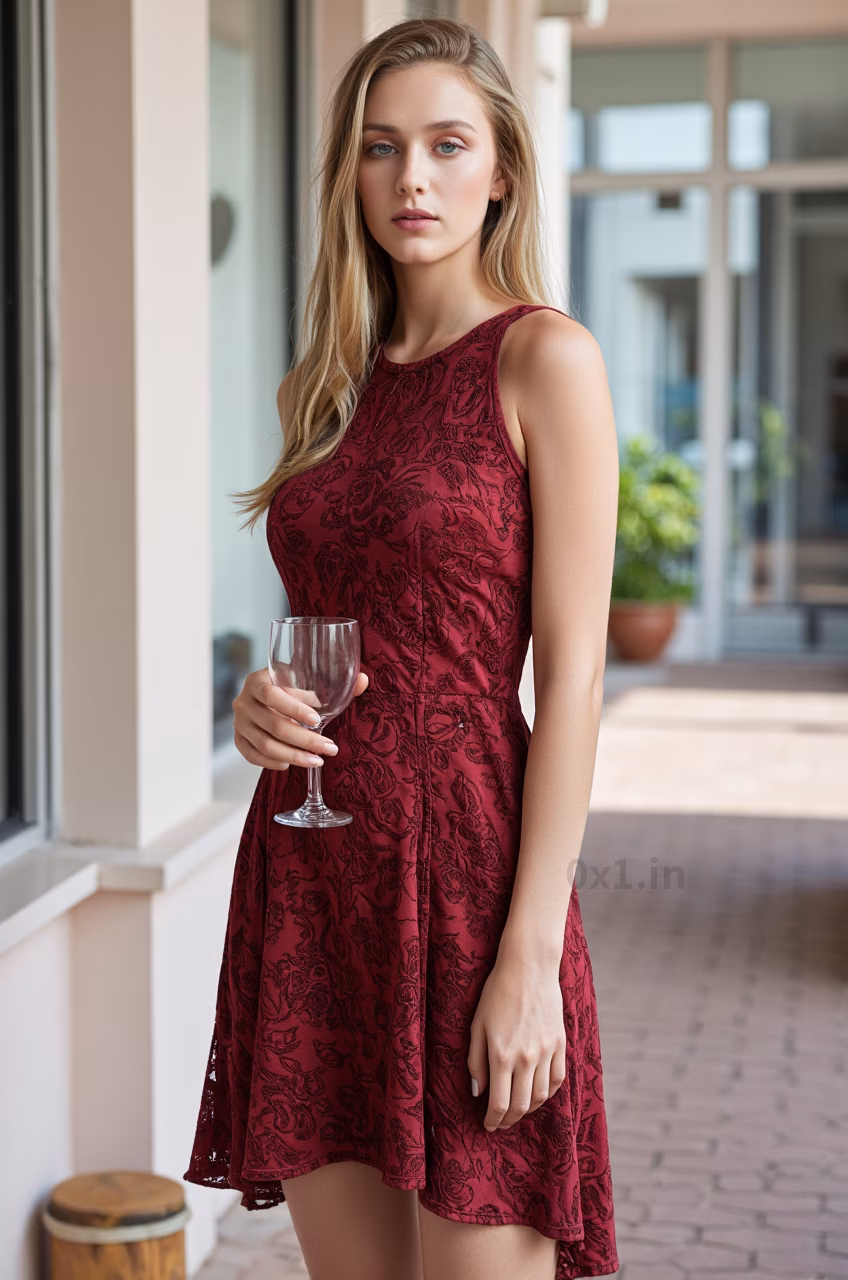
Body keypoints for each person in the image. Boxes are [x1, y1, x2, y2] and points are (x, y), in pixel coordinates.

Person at [183, 16, 620, 1280]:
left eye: (444, 144)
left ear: (502, 173)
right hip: (314, 882)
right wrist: (255, 704)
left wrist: (528, 952)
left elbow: (574, 677)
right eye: (381, 148)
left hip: (474, 885)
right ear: (349, 175)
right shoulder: (321, 387)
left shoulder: (546, 360)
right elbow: (317, 633)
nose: (411, 178)